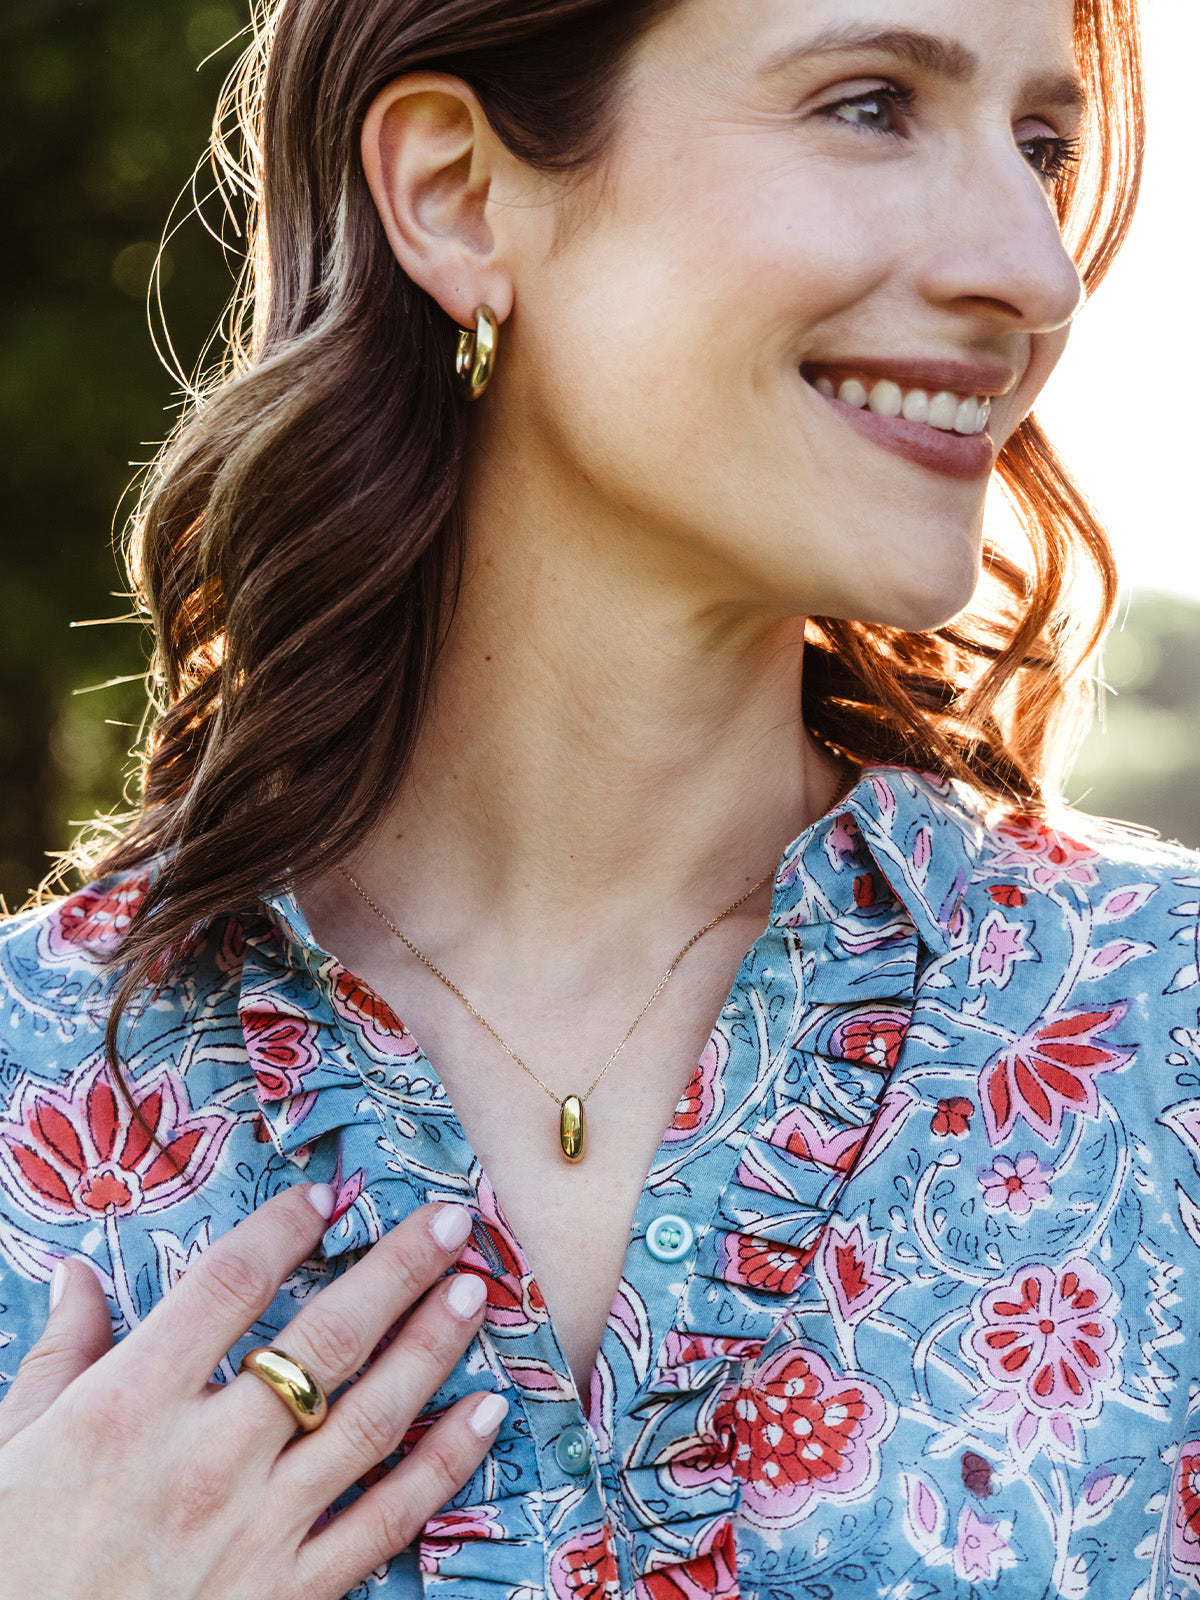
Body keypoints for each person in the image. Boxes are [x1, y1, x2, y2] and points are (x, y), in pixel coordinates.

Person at [0, 0, 1189, 1594]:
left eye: (1042, 147)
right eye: (869, 105)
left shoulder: (1159, 1031)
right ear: (458, 196)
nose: (1035, 272)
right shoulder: (31, 1094)